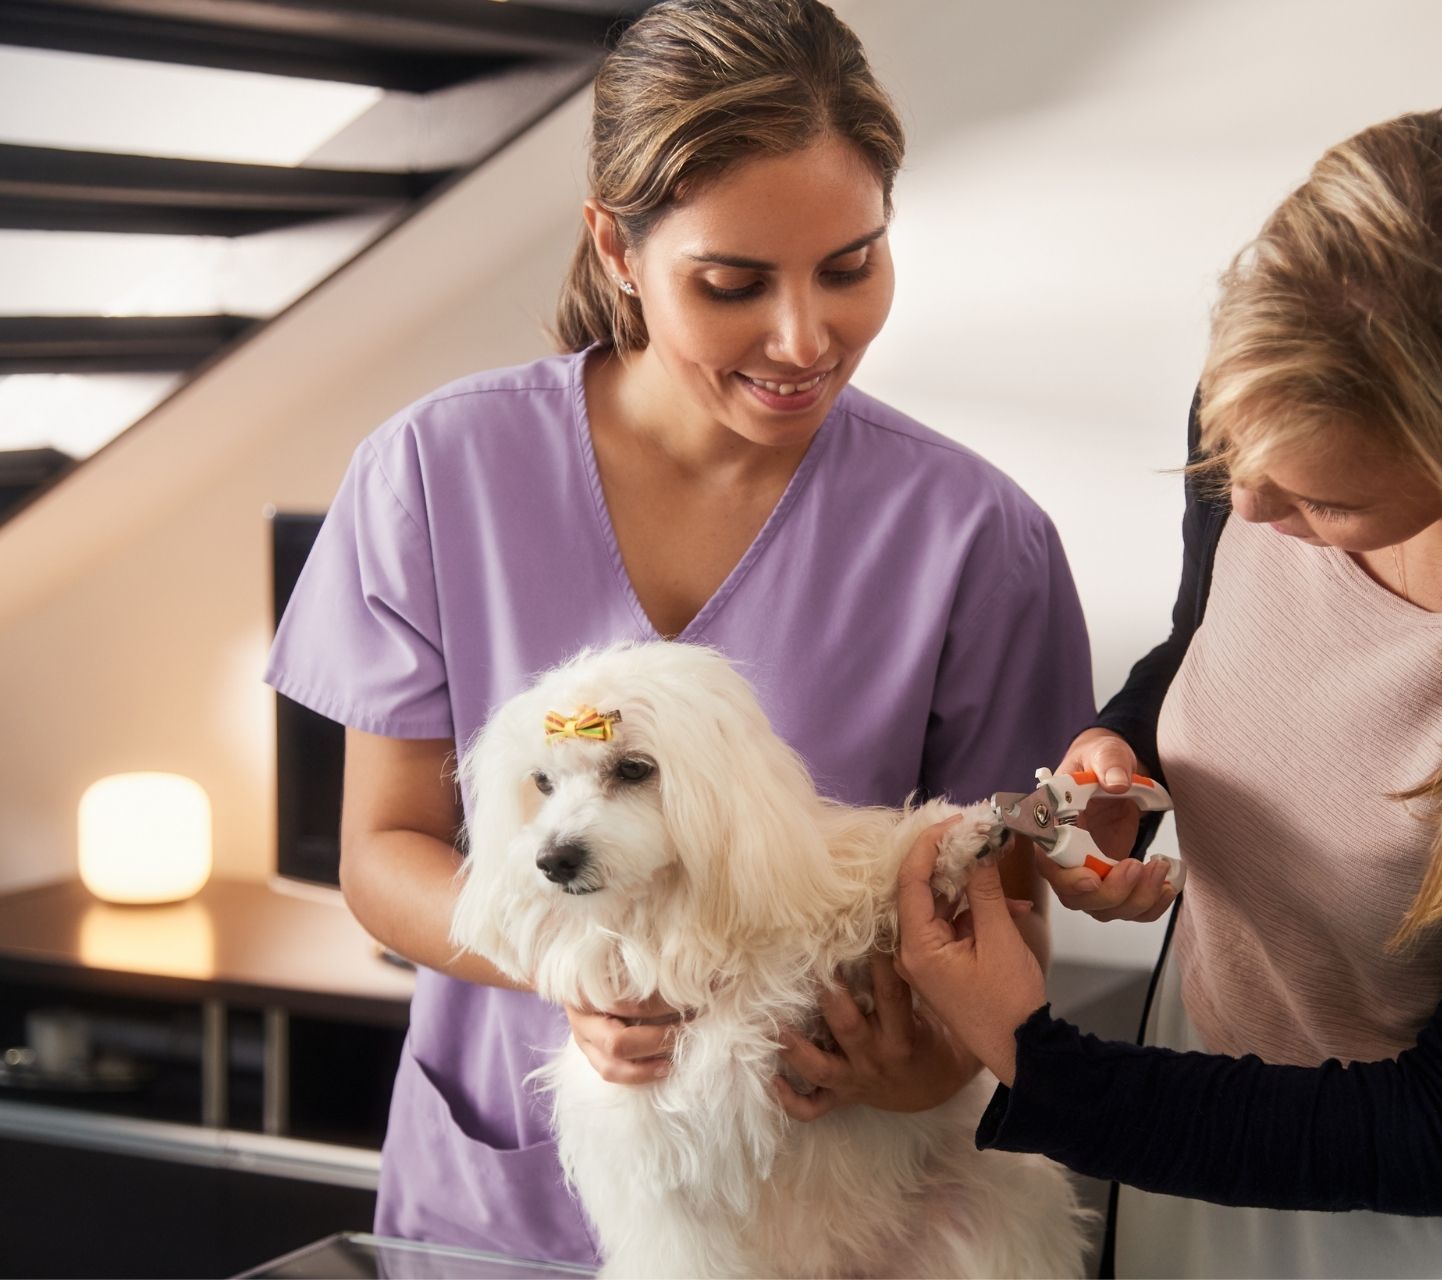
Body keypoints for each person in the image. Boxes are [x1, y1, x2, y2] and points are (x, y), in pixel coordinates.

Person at [264, 0, 1091, 1264]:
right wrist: (567, 968)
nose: (805, 338)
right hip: (500, 1207)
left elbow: (1006, 917)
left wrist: (925, 1062)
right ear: (617, 246)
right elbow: (382, 851)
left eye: (851, 266)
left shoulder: (979, 539)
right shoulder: (434, 473)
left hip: (829, 1217)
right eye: (733, 283)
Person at [895, 103, 1442, 1279]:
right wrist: (1124, 742)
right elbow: (1211, 635)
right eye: (1236, 457)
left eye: (1325, 504)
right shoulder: (1268, 415)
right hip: (1197, 1111)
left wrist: (1030, 1054)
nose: (1249, 504)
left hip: (1428, 1223)